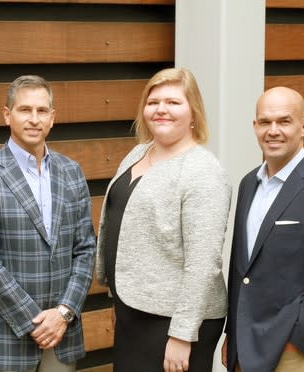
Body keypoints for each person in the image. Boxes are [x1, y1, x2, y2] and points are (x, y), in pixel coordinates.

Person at [95, 67, 232, 372]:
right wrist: (118, 298)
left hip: (177, 321)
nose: (161, 110)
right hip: (135, 310)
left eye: (173, 102)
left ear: (193, 112)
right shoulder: (137, 154)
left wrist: (183, 334)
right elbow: (125, 230)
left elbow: (203, 261)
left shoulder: (203, 172)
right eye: (153, 101)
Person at [0, 75, 96, 372]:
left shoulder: (71, 172)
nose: (34, 119)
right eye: (24, 110)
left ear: (52, 118)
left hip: (62, 334)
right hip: (5, 338)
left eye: (42, 111)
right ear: (7, 115)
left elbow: (85, 249)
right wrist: (34, 320)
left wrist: (63, 313)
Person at [221, 86, 304, 372]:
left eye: (284, 121)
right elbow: (241, 270)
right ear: (255, 126)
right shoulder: (248, 184)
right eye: (265, 122)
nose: (273, 131)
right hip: (242, 350)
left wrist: (296, 340)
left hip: (291, 353)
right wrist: (231, 335)